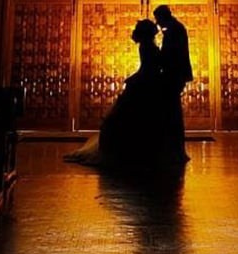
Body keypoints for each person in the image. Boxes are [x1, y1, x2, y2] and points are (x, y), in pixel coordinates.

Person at [64, 19, 177, 172]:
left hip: (147, 81)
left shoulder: (146, 46)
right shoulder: (148, 46)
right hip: (149, 82)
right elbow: (150, 66)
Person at [153, 5, 194, 162]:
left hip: (174, 76)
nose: (157, 23)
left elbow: (171, 55)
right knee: (172, 111)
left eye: (158, 19)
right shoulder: (174, 29)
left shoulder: (174, 30)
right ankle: (173, 148)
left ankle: (174, 149)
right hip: (175, 75)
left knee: (172, 112)